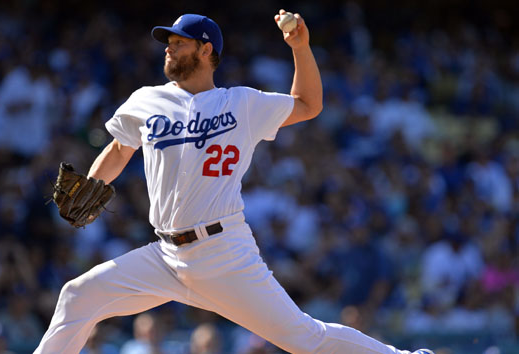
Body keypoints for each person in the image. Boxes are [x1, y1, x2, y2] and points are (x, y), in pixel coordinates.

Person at [35, 10, 434, 354]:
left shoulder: (241, 102)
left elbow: (309, 104)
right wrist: (89, 181)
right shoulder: (146, 100)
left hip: (223, 252)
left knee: (304, 339)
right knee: (77, 295)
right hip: (165, 256)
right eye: (168, 42)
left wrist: (299, 48)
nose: (168, 48)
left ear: (206, 50)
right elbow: (121, 148)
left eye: (179, 42)